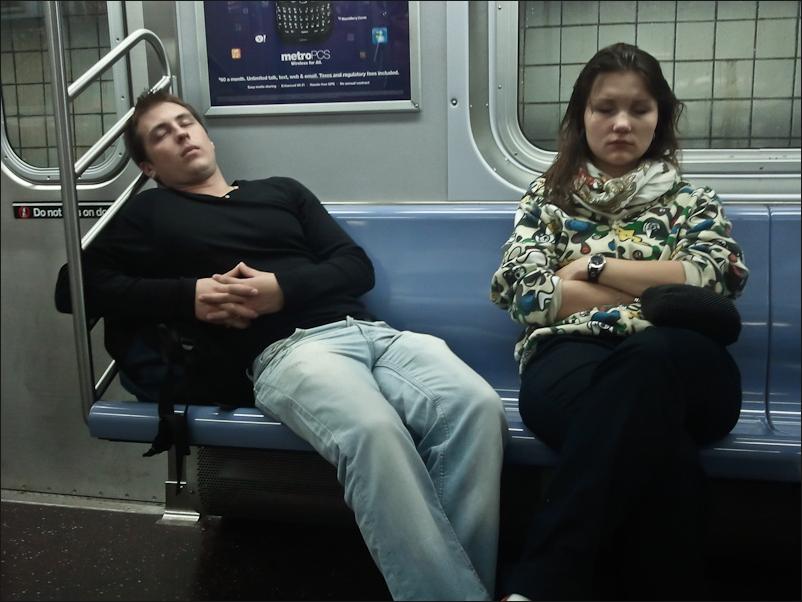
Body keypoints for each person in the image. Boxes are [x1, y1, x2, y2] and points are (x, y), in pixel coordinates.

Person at [55, 89, 508, 601]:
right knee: (373, 431)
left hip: (374, 334)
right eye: (161, 134)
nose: (180, 133)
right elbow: (72, 287)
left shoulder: (282, 192)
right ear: (148, 167)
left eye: (185, 122)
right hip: (288, 350)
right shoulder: (151, 213)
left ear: (207, 135)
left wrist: (281, 289)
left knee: (475, 407)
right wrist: (189, 296)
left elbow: (354, 267)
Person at [490, 43, 748, 601]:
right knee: (662, 452)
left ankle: (542, 583)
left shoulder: (694, 201)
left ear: (661, 117)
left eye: (639, 109)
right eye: (605, 108)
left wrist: (594, 267)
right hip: (569, 359)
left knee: (649, 361)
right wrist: (657, 285)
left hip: (683, 360)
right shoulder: (547, 200)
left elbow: (711, 282)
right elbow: (526, 295)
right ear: (581, 116)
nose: (622, 123)